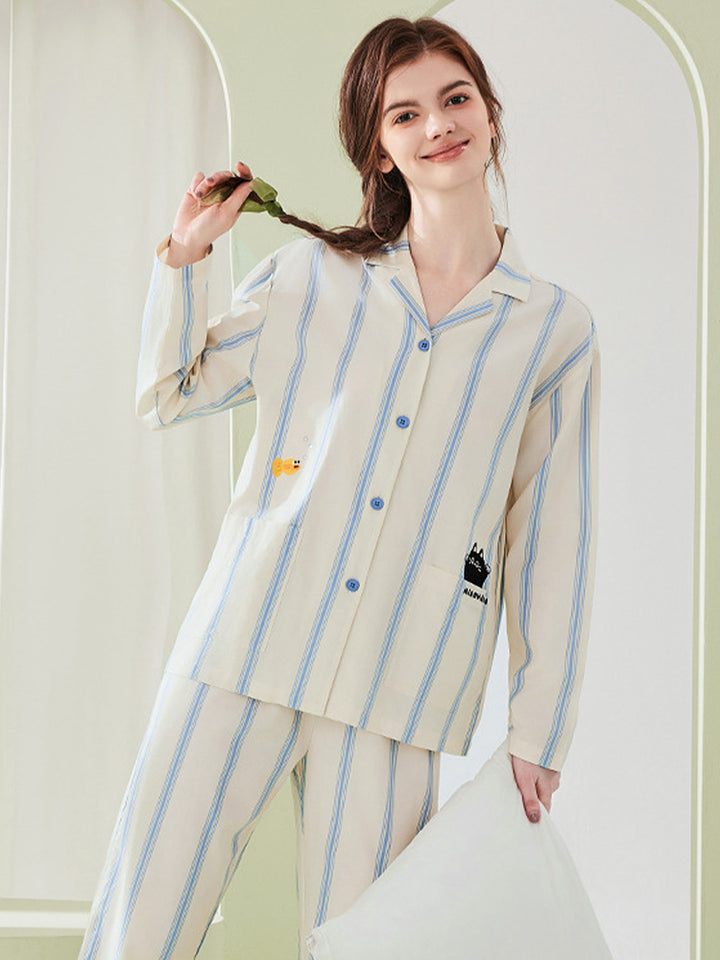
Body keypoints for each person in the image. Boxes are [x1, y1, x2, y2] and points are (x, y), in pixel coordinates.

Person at [78, 14, 600, 960]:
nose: (438, 125)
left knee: (362, 947)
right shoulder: (312, 276)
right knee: (138, 924)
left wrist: (539, 727)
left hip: (400, 685)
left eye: (455, 98)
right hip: (243, 643)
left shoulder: (553, 330)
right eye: (405, 114)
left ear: (489, 113)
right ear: (381, 149)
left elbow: (552, 536)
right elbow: (170, 393)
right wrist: (188, 255)